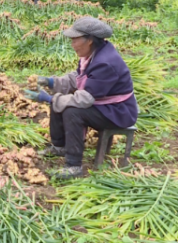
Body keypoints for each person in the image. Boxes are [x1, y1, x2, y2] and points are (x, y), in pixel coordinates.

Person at [24, 17, 138, 179]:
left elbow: (84, 99)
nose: (72, 44)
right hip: (102, 105)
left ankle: (73, 166)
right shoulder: (93, 54)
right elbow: (78, 77)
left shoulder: (106, 63)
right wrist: (52, 82)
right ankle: (60, 146)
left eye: (75, 40)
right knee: (62, 100)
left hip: (118, 112)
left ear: (89, 40)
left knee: (71, 110)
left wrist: (50, 99)